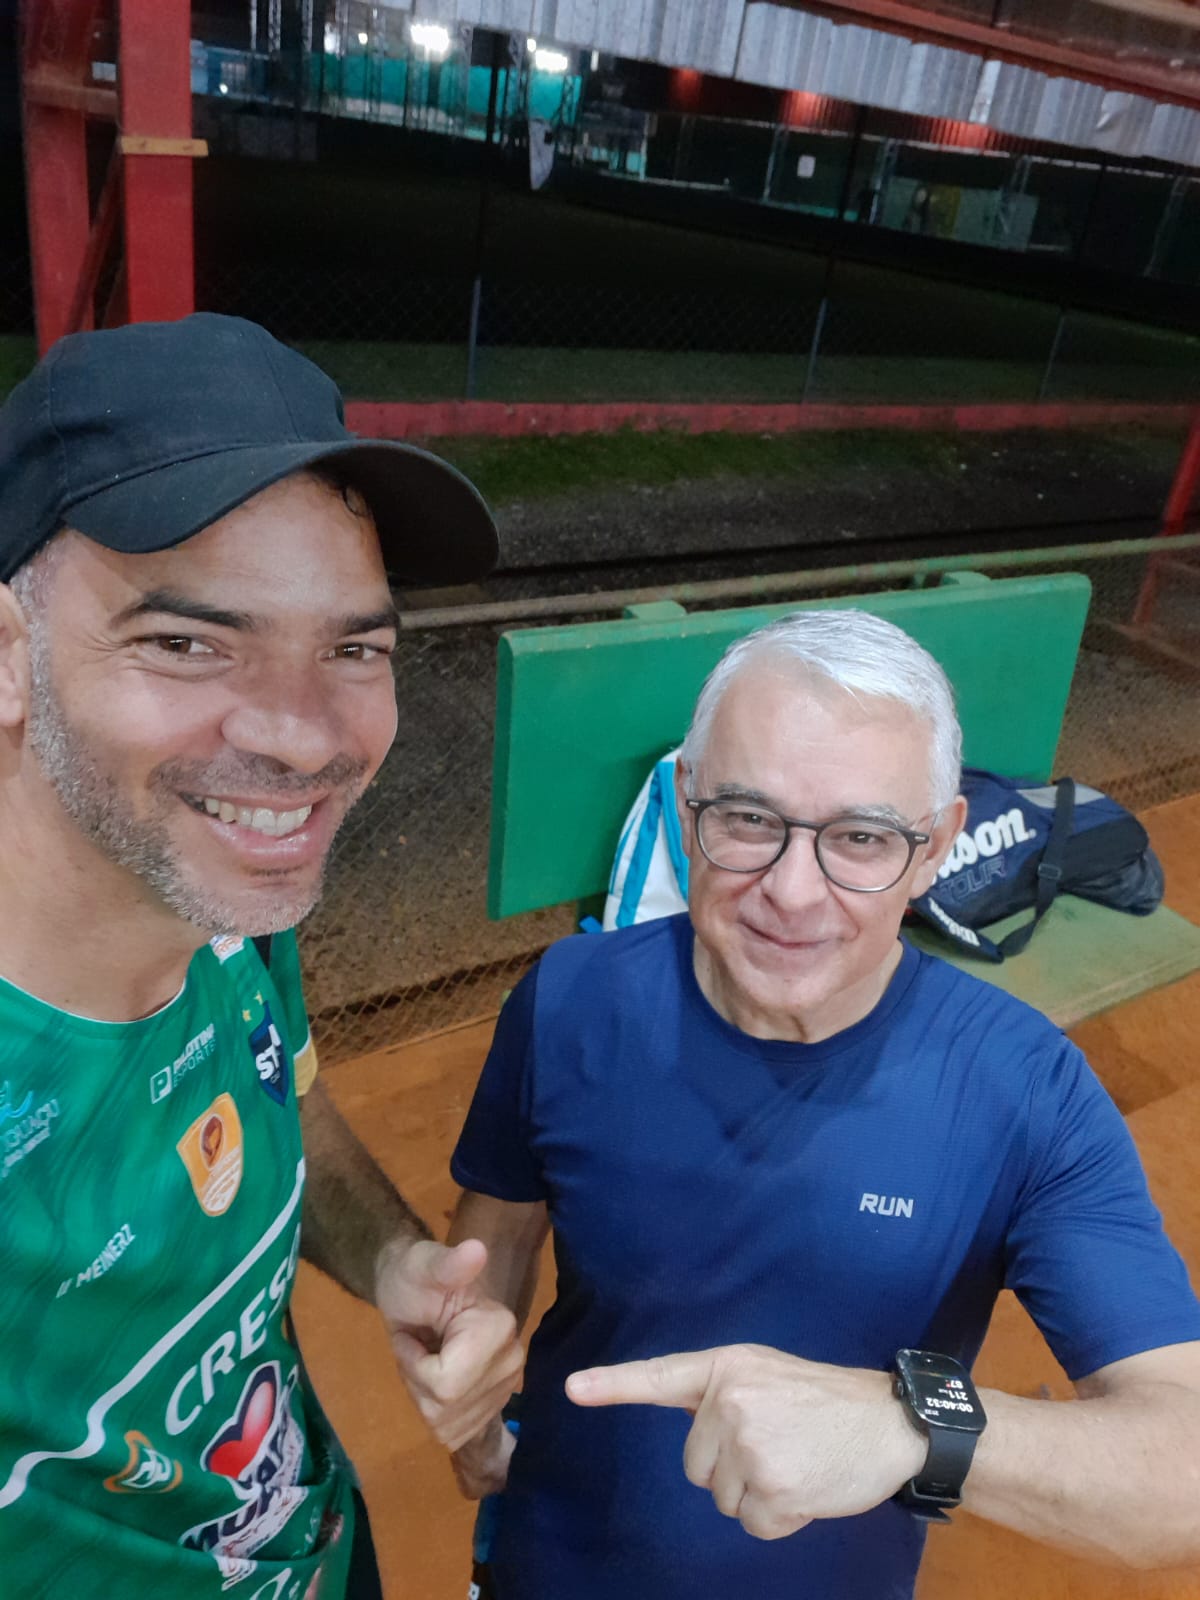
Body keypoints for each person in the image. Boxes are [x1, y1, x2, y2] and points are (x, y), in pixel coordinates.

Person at [447, 609, 1200, 1599]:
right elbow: (497, 1235)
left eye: (862, 837)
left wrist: (910, 1427)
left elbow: (1184, 1469)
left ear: (936, 849)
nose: (793, 892)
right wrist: (470, 1391)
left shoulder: (1026, 1090)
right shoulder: (569, 1000)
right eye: (749, 819)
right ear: (686, 807)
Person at [0, 313, 524, 1597]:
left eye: (353, 648)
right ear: (9, 656)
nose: (304, 738)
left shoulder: (225, 908)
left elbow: (285, 1082)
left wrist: (392, 1258)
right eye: (187, 641)